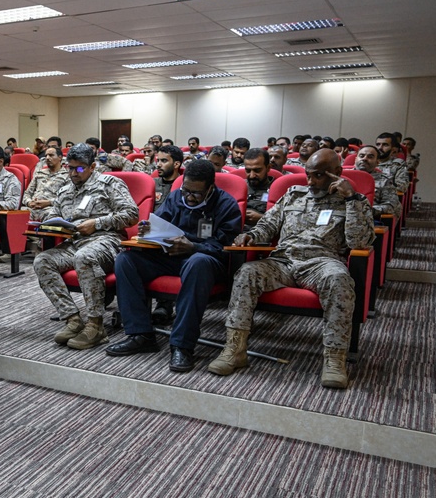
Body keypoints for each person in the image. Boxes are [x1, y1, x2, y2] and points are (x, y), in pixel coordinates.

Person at [209, 149, 375, 389]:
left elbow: (359, 243)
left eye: (318, 175)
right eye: (308, 174)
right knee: (247, 273)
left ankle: (335, 360)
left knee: (340, 280)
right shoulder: (294, 195)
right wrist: (251, 236)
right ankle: (235, 349)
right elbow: (268, 224)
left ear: (337, 173)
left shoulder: (354, 202)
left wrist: (350, 199)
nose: (310, 181)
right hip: (283, 262)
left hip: (322, 264)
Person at [106, 160, 241, 371]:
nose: (188, 197)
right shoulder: (176, 196)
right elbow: (159, 224)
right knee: (126, 260)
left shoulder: (227, 205)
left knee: (197, 263)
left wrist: (194, 247)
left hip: (205, 261)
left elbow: (226, 247)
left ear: (210, 189)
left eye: (195, 194)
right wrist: (148, 231)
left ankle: (182, 346)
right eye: (185, 190)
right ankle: (141, 334)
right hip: (170, 257)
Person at [32, 144, 138, 350]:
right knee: (42, 260)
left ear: (92, 166)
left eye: (79, 168)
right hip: (75, 241)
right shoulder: (64, 190)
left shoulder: (110, 184)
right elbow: (52, 214)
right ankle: (73, 319)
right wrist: (51, 224)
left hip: (107, 240)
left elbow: (131, 214)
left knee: (84, 257)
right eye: (69, 168)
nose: (73, 173)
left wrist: (97, 223)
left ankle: (96, 325)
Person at [22, 145, 68, 222]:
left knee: (53, 217)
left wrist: (48, 202)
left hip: (50, 208)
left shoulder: (67, 176)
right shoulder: (39, 173)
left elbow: (66, 199)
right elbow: (27, 193)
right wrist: (29, 202)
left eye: (51, 155)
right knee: (16, 215)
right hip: (32, 208)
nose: (47, 158)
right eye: (46, 155)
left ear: (60, 158)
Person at [353, 146, 400, 219]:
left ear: (377, 162)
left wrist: (367, 210)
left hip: (368, 219)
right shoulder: (342, 176)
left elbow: (391, 205)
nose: (364, 159)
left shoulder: (385, 180)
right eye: (361, 156)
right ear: (355, 159)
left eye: (370, 157)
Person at [242, 148, 274, 229]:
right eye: (248, 171)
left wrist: (262, 218)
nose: (252, 175)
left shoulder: (277, 189)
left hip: (264, 233)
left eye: (257, 170)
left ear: (268, 168)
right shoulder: (238, 186)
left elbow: (287, 220)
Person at [153, 145, 183, 210]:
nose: (158, 165)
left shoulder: (184, 186)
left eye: (164, 161)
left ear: (176, 164)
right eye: (158, 160)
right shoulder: (152, 183)